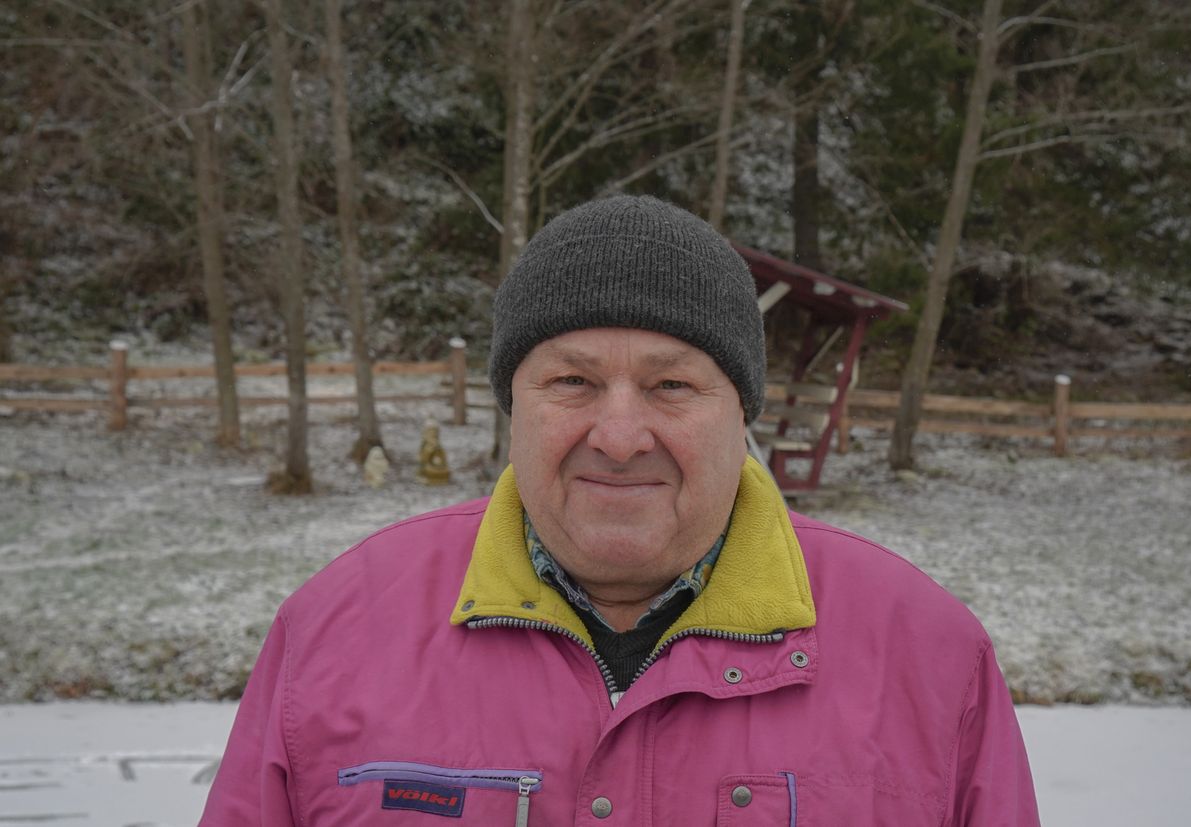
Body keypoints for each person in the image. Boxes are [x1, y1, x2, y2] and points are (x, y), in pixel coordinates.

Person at [200, 195, 1039, 825]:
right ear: (513, 406)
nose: (621, 433)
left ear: (739, 410)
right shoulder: (333, 633)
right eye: (573, 381)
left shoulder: (928, 654)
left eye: (672, 385)